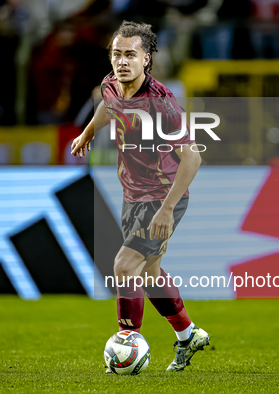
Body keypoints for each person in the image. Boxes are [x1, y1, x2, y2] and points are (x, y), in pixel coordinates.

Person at [71, 20, 210, 372]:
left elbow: (193, 156)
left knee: (124, 266)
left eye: (130, 55)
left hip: (163, 198)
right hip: (132, 196)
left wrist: (166, 210)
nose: (121, 61)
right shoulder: (111, 85)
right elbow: (107, 104)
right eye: (116, 54)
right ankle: (188, 334)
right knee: (148, 273)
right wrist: (87, 133)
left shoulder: (161, 104)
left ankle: (127, 340)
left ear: (146, 59)